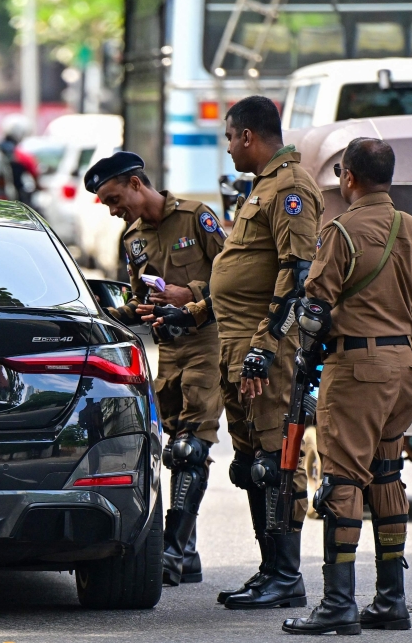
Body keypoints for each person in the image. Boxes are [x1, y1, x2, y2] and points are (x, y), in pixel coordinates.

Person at [151, 96, 324, 609]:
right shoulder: (262, 189)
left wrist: (265, 349)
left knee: (275, 463)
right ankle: (269, 570)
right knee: (250, 465)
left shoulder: (290, 189)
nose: (227, 148)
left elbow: (298, 277)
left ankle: (287, 577)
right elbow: (238, 278)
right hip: (235, 348)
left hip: (262, 355)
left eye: (229, 137)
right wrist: (196, 313)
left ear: (248, 135)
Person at [282, 137, 412, 635]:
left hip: (357, 366)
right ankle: (391, 600)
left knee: (342, 480)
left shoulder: (343, 231)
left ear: (348, 177)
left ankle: (337, 604)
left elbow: (314, 311)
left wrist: (303, 365)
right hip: (404, 370)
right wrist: (410, 363)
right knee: (388, 474)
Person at [84, 151, 225, 587]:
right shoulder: (132, 239)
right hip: (168, 352)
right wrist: (110, 315)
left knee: (191, 449)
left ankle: (172, 552)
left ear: (136, 183)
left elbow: (236, 278)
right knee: (172, 450)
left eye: (114, 198)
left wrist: (191, 294)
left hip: (206, 343)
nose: (112, 210)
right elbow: (136, 298)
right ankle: (191, 552)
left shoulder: (197, 218)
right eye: (106, 204)